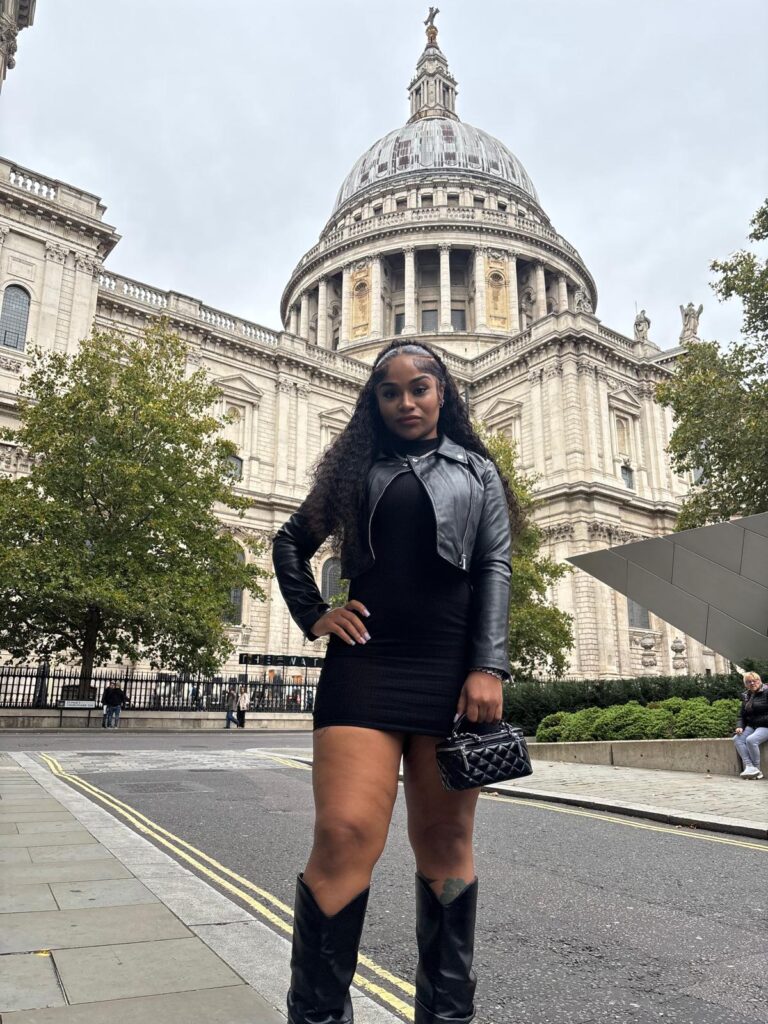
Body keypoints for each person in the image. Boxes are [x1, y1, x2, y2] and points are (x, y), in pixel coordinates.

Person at [273, 340, 520, 1024]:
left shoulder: (477, 470)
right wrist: (314, 613)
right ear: (374, 402)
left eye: (420, 388)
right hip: (367, 663)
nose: (406, 402)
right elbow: (290, 542)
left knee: (445, 844)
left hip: (450, 668)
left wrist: (488, 665)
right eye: (390, 392)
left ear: (443, 394)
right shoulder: (355, 470)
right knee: (344, 833)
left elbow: (494, 567)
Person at [734, 671, 768, 779]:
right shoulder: (746, 696)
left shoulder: (767, 692)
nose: (752, 683)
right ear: (746, 684)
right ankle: (750, 766)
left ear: (760, 681)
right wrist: (739, 726)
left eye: (755, 680)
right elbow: (741, 715)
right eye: (749, 682)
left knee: (751, 740)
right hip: (752, 726)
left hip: (765, 726)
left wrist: (759, 721)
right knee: (737, 739)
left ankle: (757, 769)